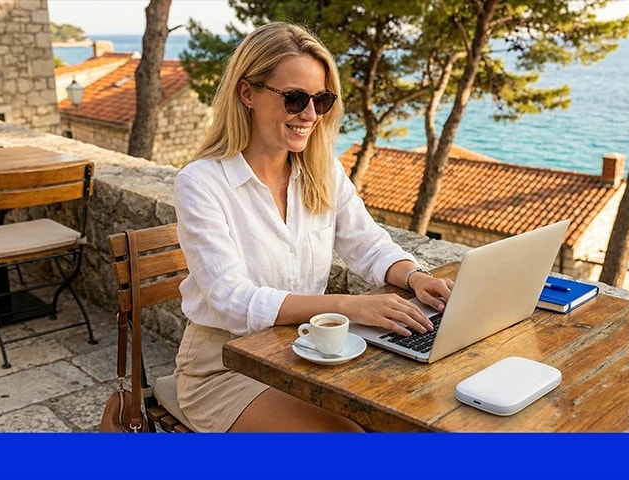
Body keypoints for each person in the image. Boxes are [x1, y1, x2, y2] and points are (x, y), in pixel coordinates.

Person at [173, 21, 454, 432]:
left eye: (321, 100)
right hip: (224, 368)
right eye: (294, 99)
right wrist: (348, 306)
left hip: (307, 351)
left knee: (409, 414)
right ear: (247, 93)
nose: (309, 115)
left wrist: (415, 277)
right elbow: (232, 300)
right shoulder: (201, 183)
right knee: (347, 439)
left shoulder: (322, 172)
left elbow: (368, 244)